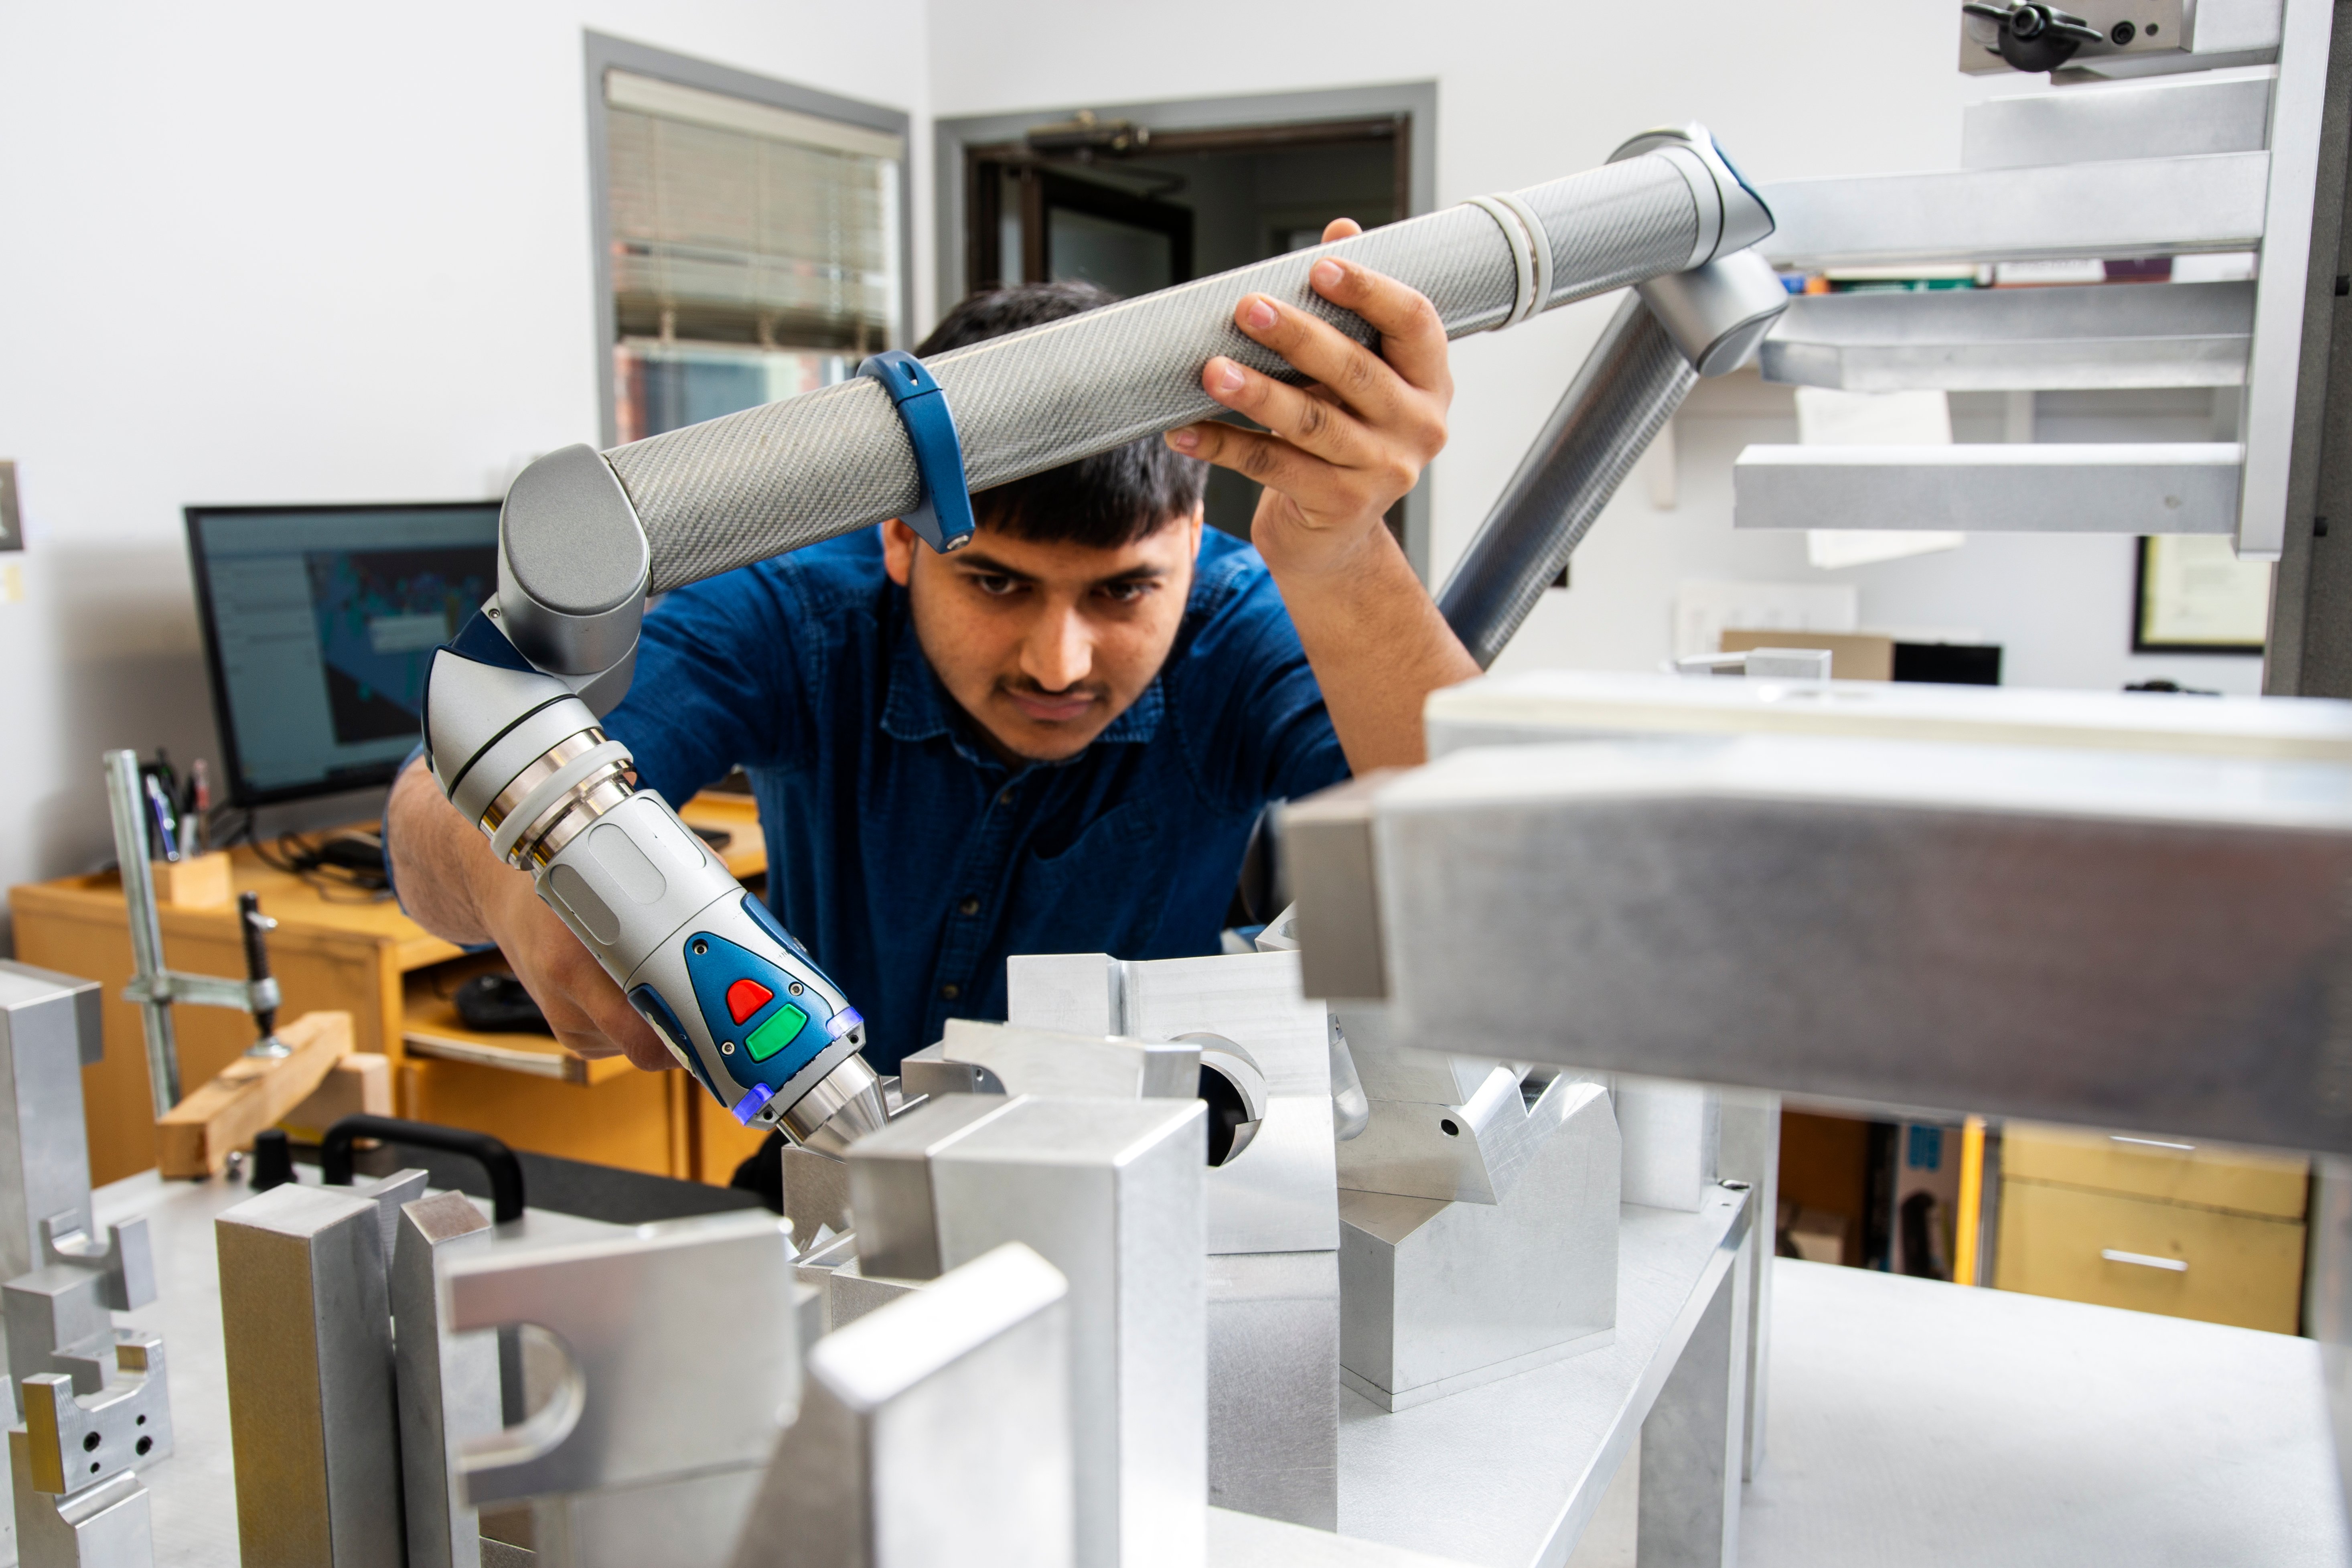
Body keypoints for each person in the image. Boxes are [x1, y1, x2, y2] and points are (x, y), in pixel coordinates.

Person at [385, 218, 1480, 1081]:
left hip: (1155, 1187)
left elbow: (1491, 878)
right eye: (998, 583)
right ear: (899, 538)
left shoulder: (1238, 623)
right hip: (842, 1176)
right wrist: (513, 875)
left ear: (1195, 543)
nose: (1060, 663)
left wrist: (1339, 556)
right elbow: (437, 807)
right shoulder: (799, 615)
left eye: (1124, 591)